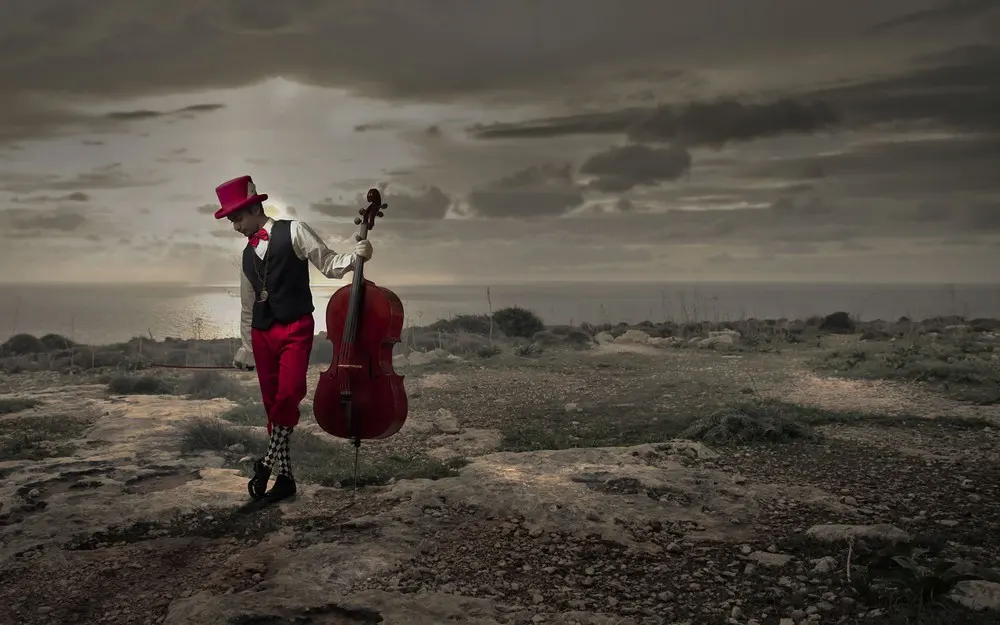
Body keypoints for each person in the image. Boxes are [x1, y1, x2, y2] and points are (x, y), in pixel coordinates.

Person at [211, 175, 373, 503]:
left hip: (295, 326)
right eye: (231, 221)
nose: (235, 226)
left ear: (254, 209)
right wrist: (246, 347)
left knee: (288, 395)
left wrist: (357, 256)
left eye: (237, 218)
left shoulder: (295, 230)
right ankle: (286, 480)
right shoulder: (245, 256)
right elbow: (248, 304)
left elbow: (329, 263)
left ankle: (266, 463)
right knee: (273, 406)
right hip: (261, 334)